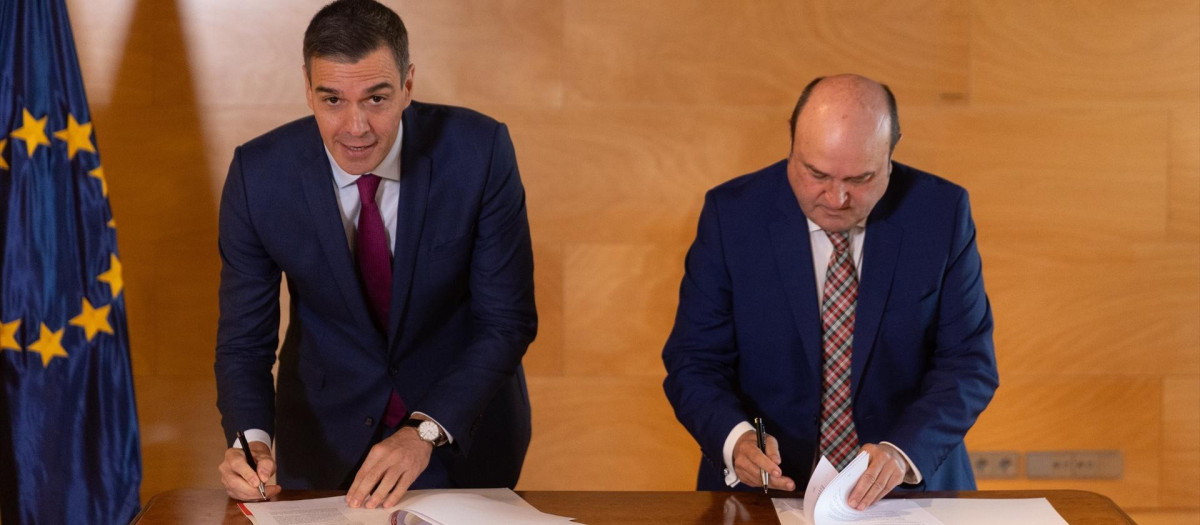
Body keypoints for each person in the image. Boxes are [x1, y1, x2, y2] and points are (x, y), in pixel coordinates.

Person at [214, 0, 536, 509]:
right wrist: (251, 441)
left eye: (376, 98)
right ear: (307, 87)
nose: (356, 126)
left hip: (458, 432)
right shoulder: (259, 176)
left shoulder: (480, 152)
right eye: (333, 100)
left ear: (408, 85)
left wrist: (424, 432)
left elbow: (507, 322)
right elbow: (244, 342)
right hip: (321, 441)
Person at [661, 74, 998, 510]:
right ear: (791, 149)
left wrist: (901, 454)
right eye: (816, 174)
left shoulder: (941, 214)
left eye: (860, 179)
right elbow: (695, 361)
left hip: (912, 489)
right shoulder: (733, 216)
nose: (836, 198)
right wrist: (736, 440)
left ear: (890, 157)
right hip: (764, 494)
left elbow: (968, 363)